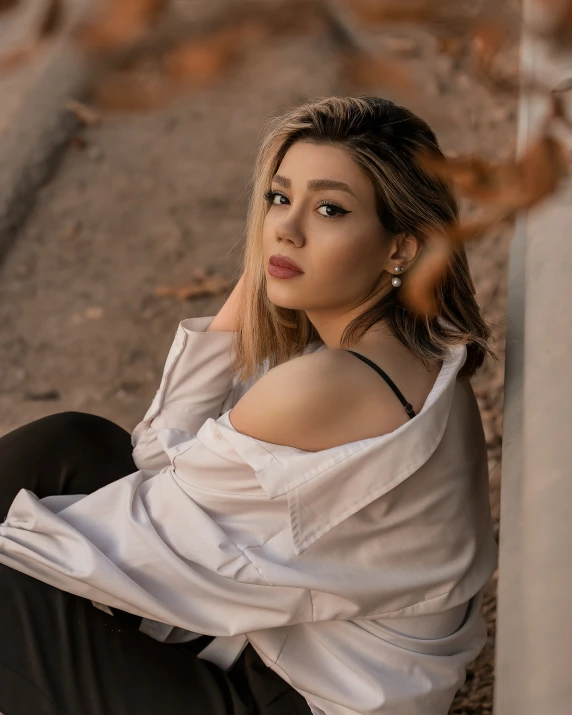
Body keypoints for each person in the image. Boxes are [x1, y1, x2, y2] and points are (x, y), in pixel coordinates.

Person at [0, 95, 498, 715]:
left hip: (300, 699)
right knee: (71, 446)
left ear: (400, 248)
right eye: (279, 198)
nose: (287, 229)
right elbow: (159, 467)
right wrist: (267, 270)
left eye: (330, 209)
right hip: (294, 657)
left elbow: (153, 492)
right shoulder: (409, 346)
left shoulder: (326, 387)